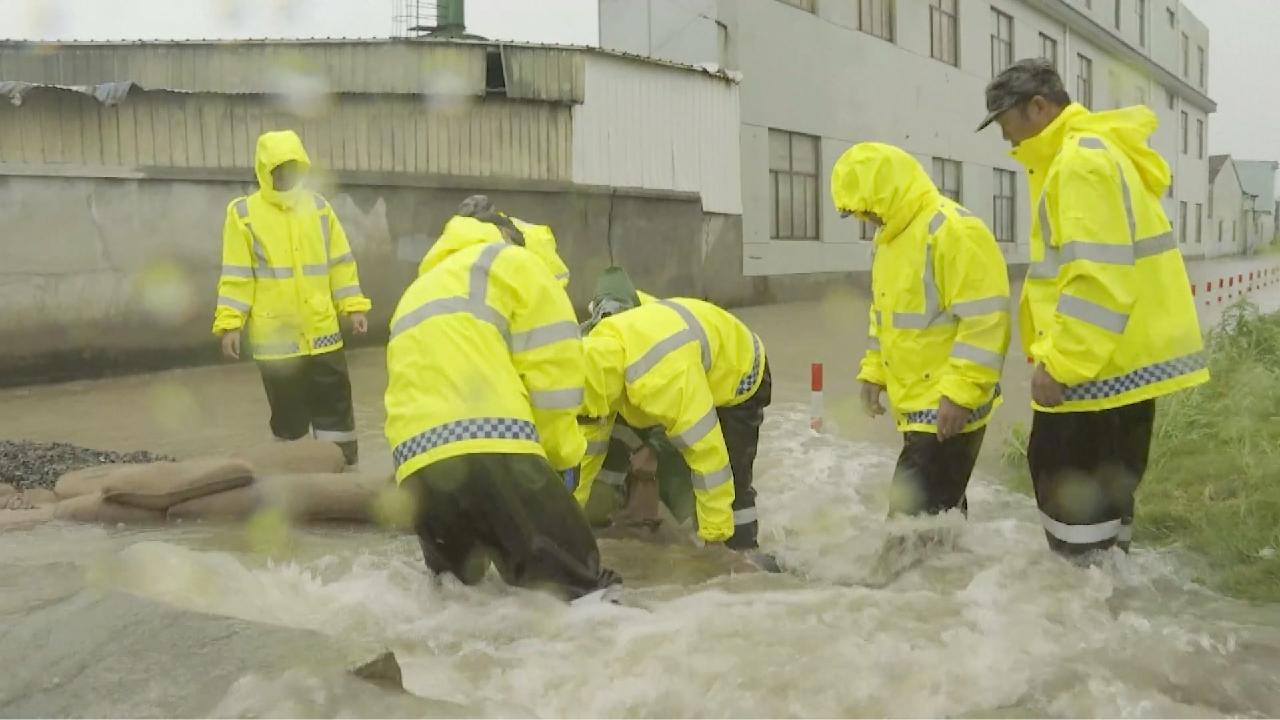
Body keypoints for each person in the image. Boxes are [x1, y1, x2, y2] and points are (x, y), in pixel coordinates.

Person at [977, 58, 1208, 555]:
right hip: (1121, 373)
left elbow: (1097, 280)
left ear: (1037, 107)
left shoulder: (1079, 162)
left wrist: (1061, 365)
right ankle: (1109, 621)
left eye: (1004, 122)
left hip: (1092, 378)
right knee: (1107, 525)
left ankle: (1076, 626)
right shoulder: (1098, 151)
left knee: (1075, 527)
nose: (1005, 138)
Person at [385, 213, 619, 600]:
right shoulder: (517, 264)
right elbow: (555, 381)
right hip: (496, 449)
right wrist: (561, 459)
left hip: (416, 468)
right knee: (582, 592)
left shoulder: (418, 290)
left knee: (461, 600)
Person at [831, 142, 1011, 518]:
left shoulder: (953, 231)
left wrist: (960, 395)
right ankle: (961, 575)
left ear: (886, 192)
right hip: (918, 406)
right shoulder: (889, 243)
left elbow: (986, 322)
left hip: (948, 405)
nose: (866, 219)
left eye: (865, 208)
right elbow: (883, 318)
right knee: (939, 517)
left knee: (908, 525)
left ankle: (915, 577)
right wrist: (874, 372)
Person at [575, 267, 771, 553]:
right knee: (681, 458)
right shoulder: (593, 356)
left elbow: (709, 456)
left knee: (731, 475)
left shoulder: (660, 378)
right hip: (690, 360)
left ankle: (743, 554)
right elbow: (587, 454)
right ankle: (691, 521)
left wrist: (714, 541)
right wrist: (567, 519)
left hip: (739, 372)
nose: (595, 418)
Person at [213, 130, 370, 466]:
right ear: (265, 171)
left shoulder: (318, 207)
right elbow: (237, 276)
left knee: (336, 412)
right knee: (288, 417)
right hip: (276, 343)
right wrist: (230, 325)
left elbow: (340, 262)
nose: (287, 176)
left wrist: (354, 306)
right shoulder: (242, 214)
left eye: (293, 168)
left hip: (323, 334)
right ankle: (295, 479)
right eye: (279, 169)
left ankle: (344, 474)